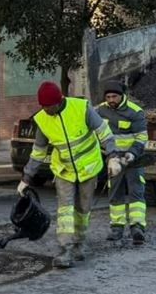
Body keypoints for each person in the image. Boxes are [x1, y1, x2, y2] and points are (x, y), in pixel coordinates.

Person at [18, 81, 121, 268]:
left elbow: (104, 133)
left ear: (58, 101)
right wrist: (26, 178)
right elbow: (39, 152)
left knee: (83, 209)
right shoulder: (42, 119)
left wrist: (113, 156)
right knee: (65, 210)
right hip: (64, 170)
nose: (45, 110)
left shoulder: (82, 108)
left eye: (48, 106)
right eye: (43, 106)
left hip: (89, 168)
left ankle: (79, 244)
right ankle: (65, 249)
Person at [97, 80, 148, 245]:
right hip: (113, 160)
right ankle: (117, 228)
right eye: (108, 97)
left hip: (133, 160)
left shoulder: (135, 112)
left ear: (122, 96)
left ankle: (137, 227)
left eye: (114, 96)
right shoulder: (99, 110)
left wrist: (131, 154)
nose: (111, 100)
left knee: (136, 192)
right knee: (115, 192)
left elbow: (141, 138)